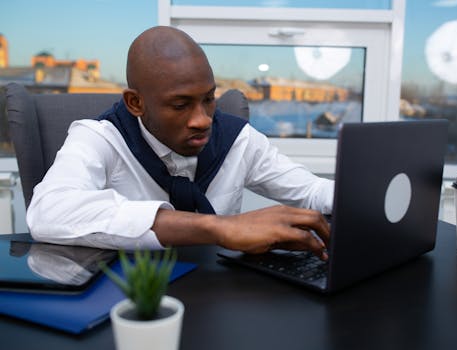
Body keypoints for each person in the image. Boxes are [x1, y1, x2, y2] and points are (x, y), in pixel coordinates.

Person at [26, 26, 334, 260]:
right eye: (180, 104)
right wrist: (220, 227)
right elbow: (48, 212)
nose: (202, 119)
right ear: (135, 102)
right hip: (132, 305)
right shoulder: (100, 138)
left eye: (208, 99)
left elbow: (312, 192)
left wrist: (366, 202)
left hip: (224, 301)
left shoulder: (238, 140)